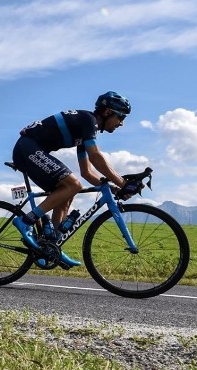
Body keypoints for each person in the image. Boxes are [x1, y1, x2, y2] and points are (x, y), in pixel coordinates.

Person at [11, 91, 140, 268]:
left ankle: (51, 246)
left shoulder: (85, 130)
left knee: (69, 191)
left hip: (33, 149)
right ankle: (25, 221)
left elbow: (86, 171)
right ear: (108, 112)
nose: (122, 123)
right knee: (73, 185)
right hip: (27, 147)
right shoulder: (88, 121)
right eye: (121, 117)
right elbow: (96, 157)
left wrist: (112, 188)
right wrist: (123, 183)